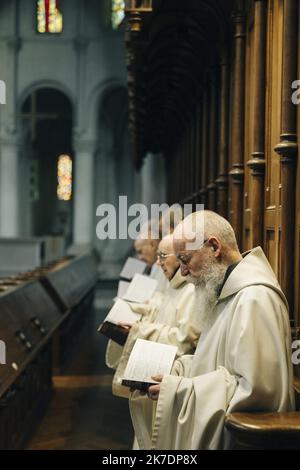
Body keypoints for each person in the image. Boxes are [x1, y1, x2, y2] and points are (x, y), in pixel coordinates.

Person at [145, 210, 295, 450]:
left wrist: (180, 388)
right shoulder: (224, 290)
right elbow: (218, 365)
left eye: (185, 260)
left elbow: (257, 394)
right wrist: (180, 368)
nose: (182, 272)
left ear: (214, 247)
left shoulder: (254, 299)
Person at [112, 234, 201, 448]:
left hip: (170, 378)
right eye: (158, 255)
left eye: (163, 255)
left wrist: (139, 330)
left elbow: (183, 340)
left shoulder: (190, 290)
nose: (158, 261)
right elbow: (160, 310)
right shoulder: (173, 283)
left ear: (181, 256)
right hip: (156, 372)